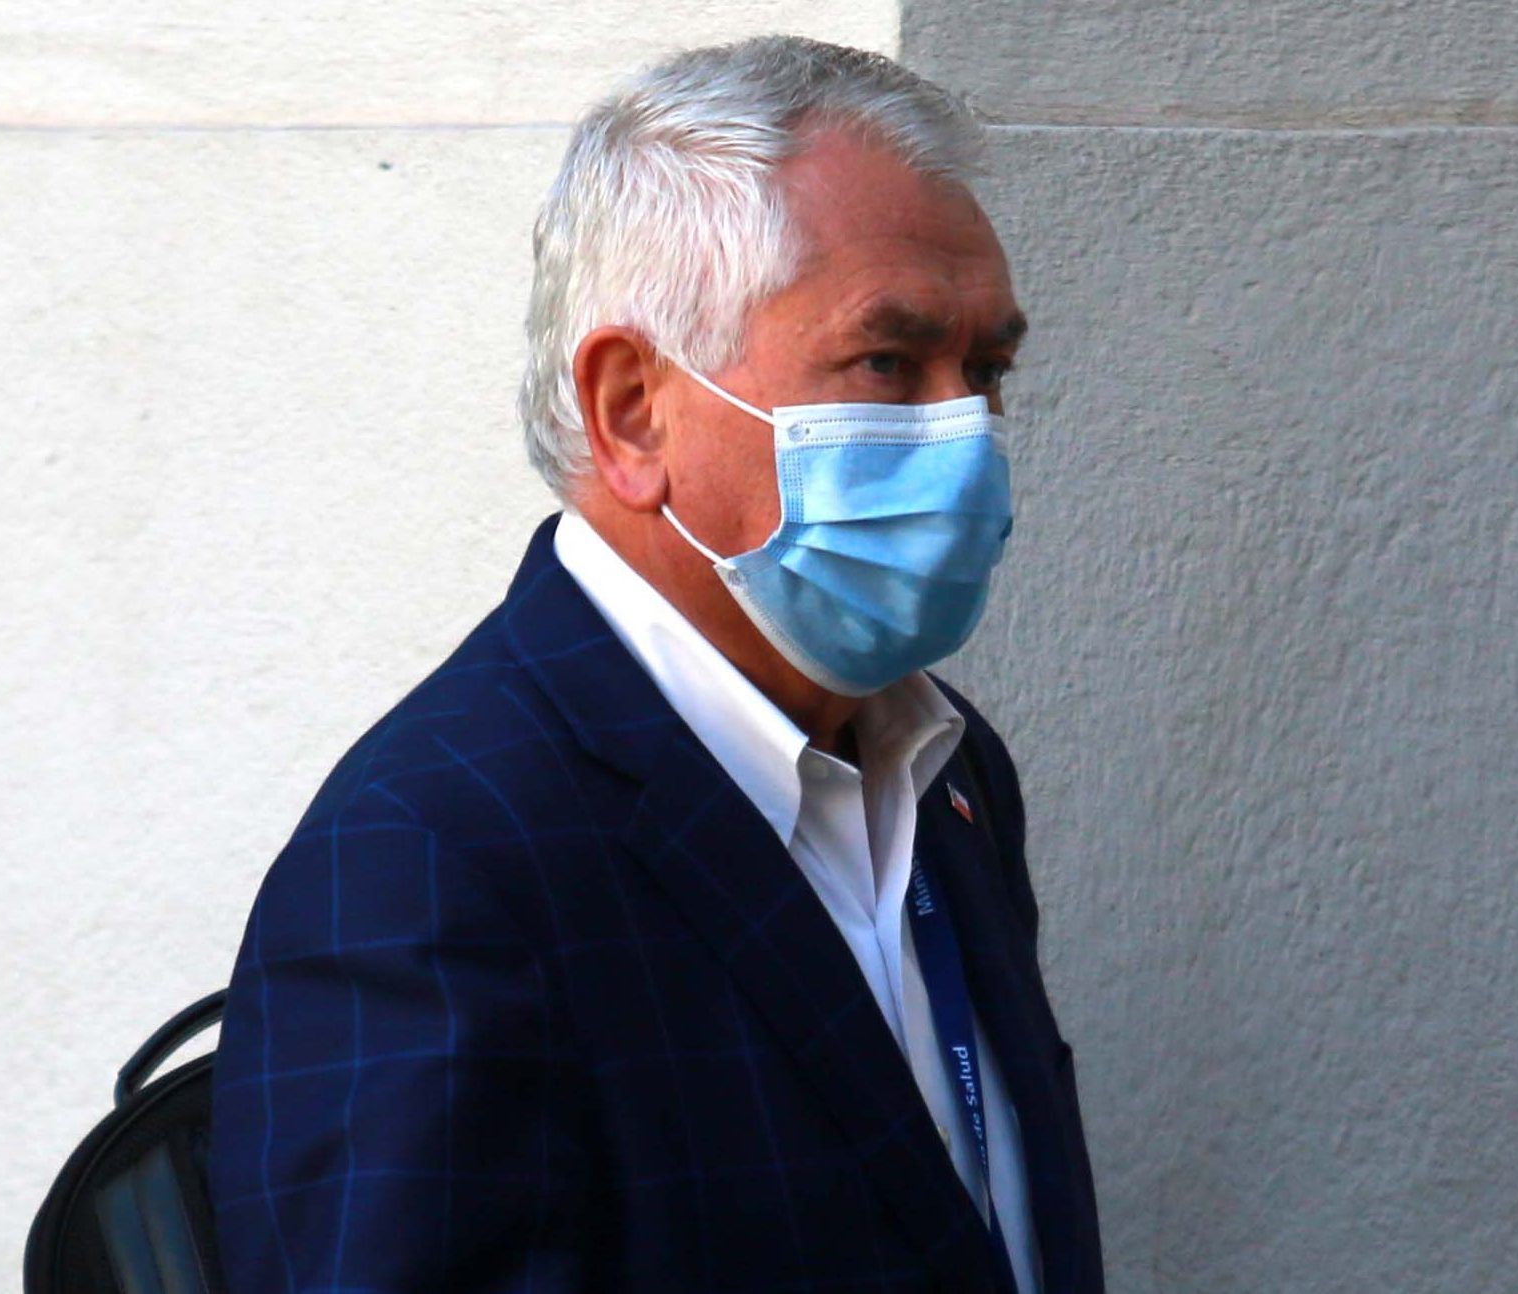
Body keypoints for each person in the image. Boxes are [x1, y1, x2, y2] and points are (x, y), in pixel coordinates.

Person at [208, 36, 1102, 1294]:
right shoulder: (431, 861)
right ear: (633, 409)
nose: (963, 435)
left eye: (986, 372)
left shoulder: (947, 770)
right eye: (887, 363)